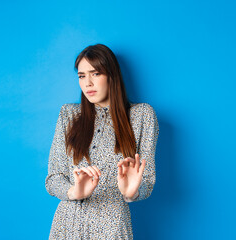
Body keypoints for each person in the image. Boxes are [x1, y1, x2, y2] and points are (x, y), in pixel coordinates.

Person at [45, 44, 159, 239]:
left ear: (112, 75)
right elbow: (53, 178)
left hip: (112, 226)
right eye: (81, 76)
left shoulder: (142, 116)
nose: (87, 83)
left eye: (95, 74)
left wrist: (131, 193)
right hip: (67, 225)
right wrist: (74, 191)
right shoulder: (69, 114)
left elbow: (146, 179)